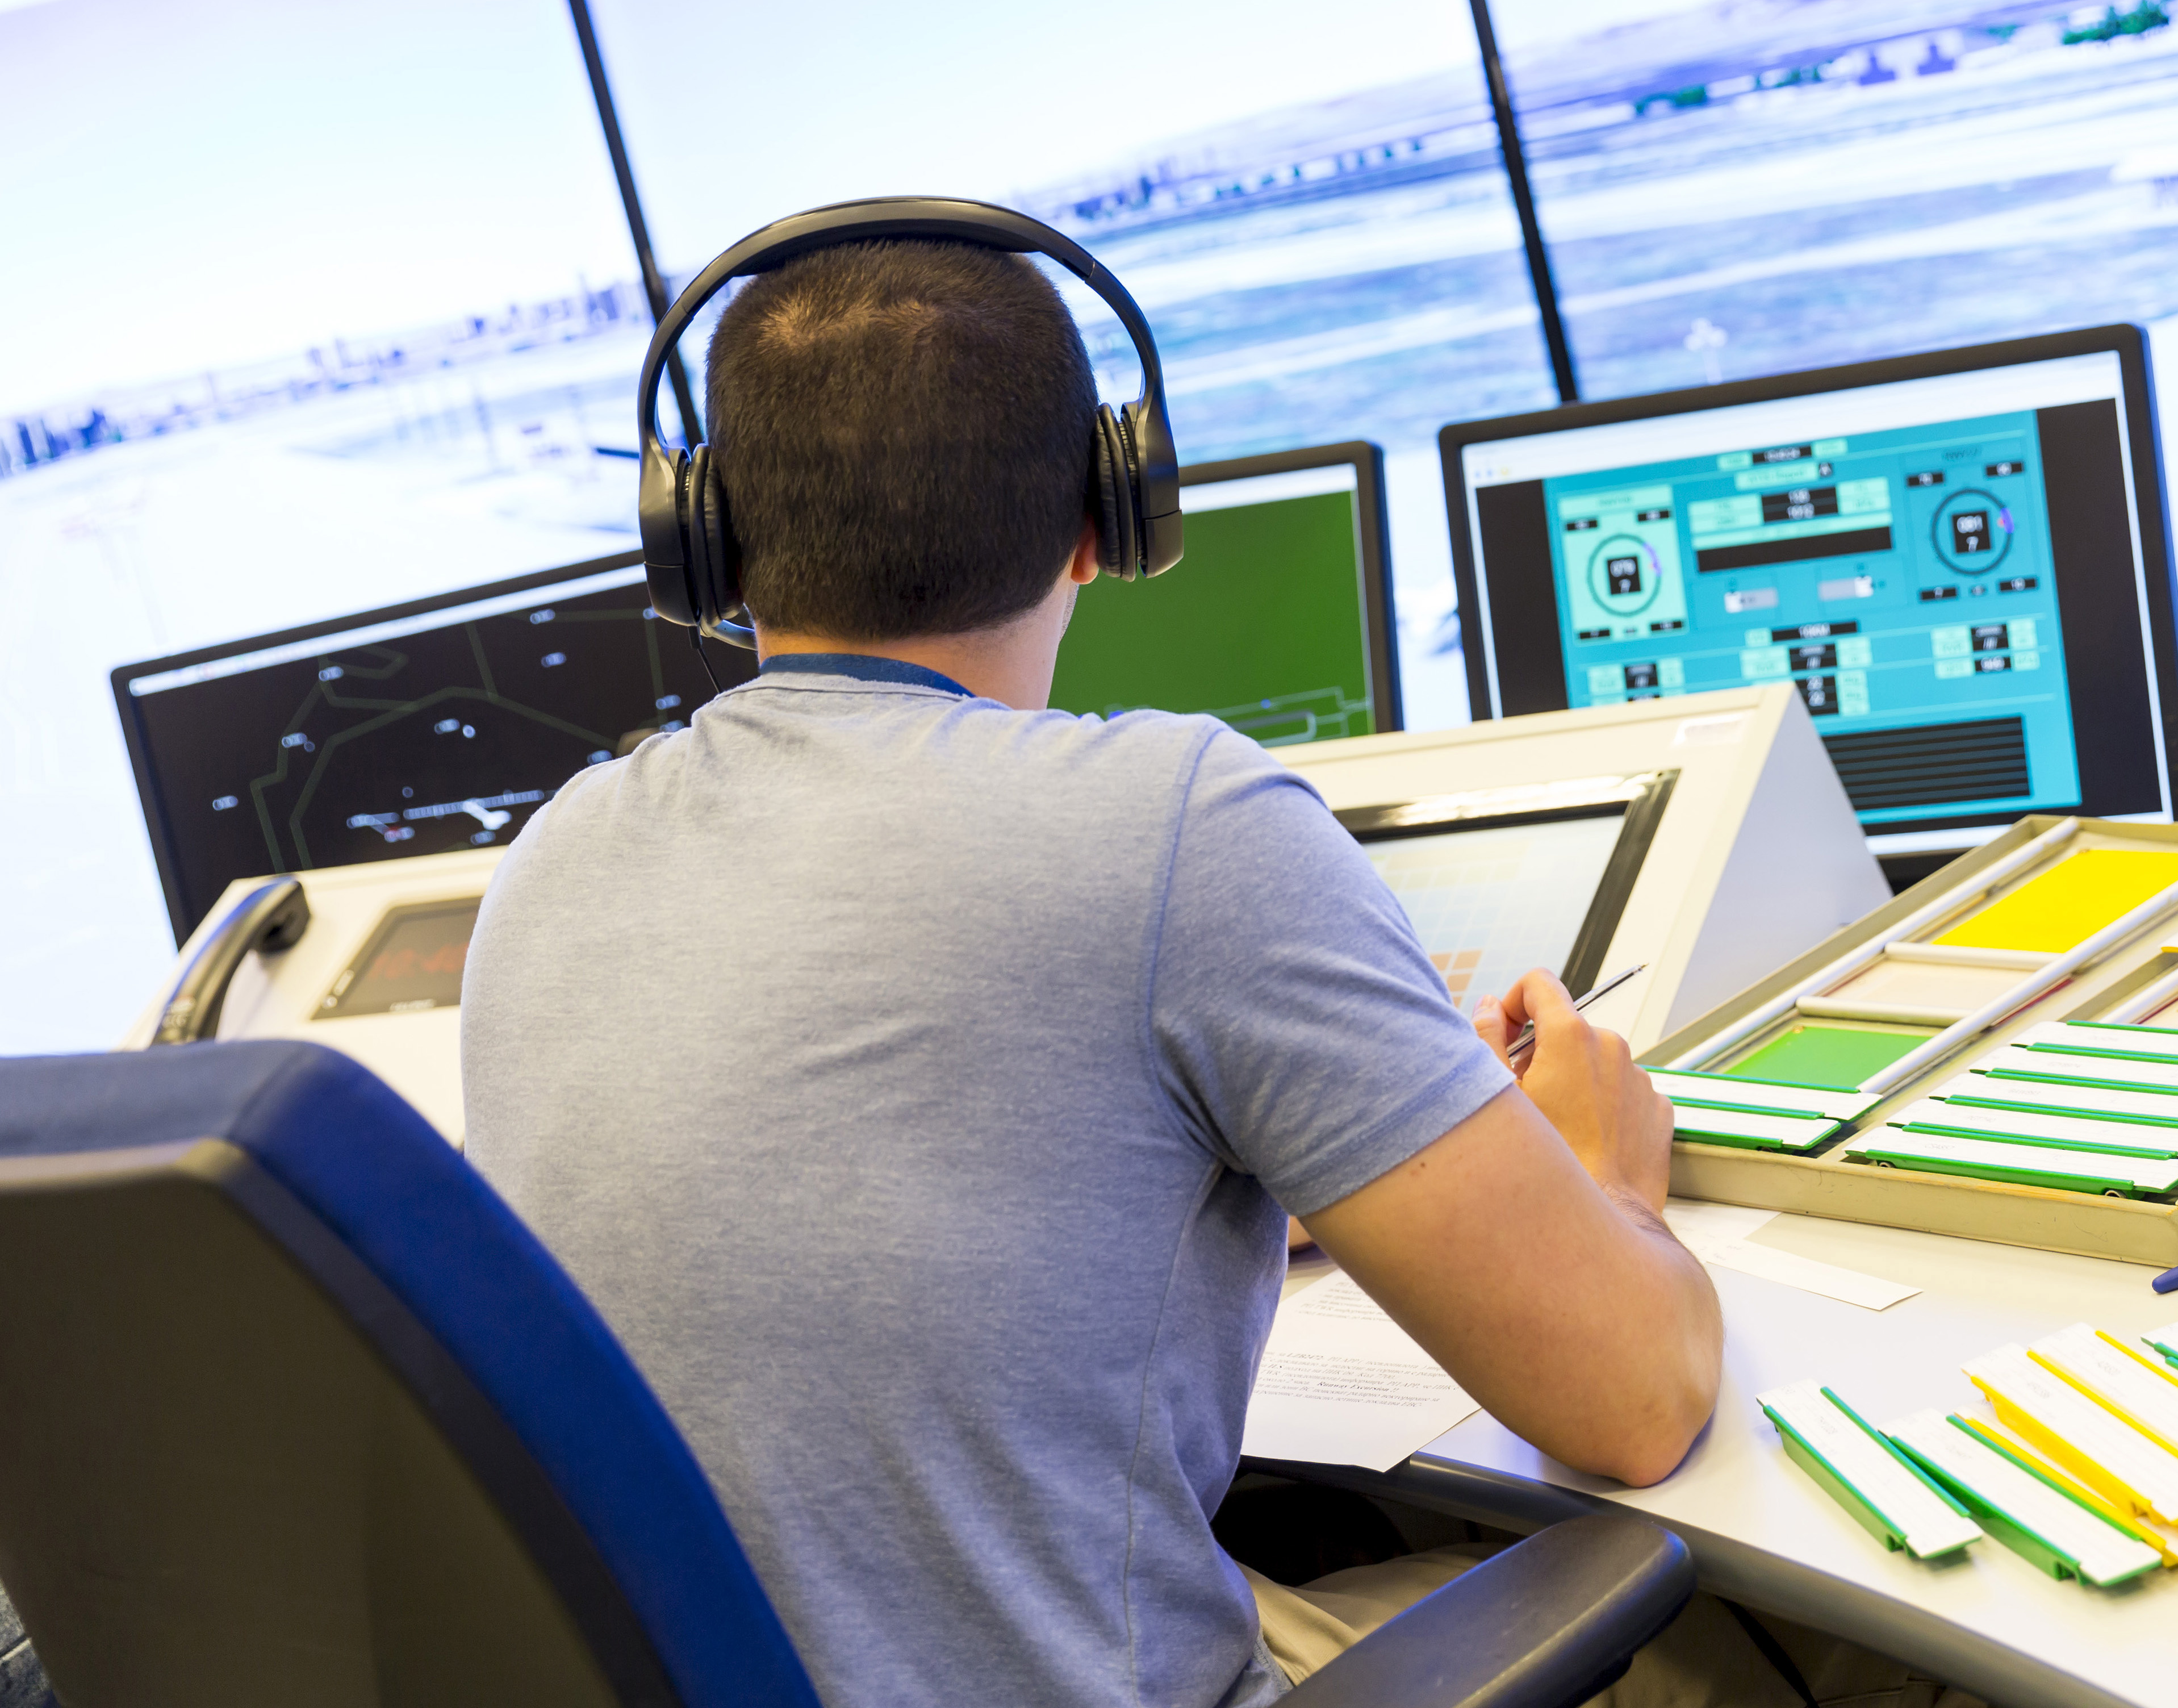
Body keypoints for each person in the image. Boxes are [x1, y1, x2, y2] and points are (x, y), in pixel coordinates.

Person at [461, 235, 1734, 1707]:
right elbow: (1633, 1402)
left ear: (709, 543)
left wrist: (1268, 1186)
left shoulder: (552, 864)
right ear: (1104, 519)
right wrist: (1606, 1190)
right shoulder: (1182, 826)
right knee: (1763, 1650)